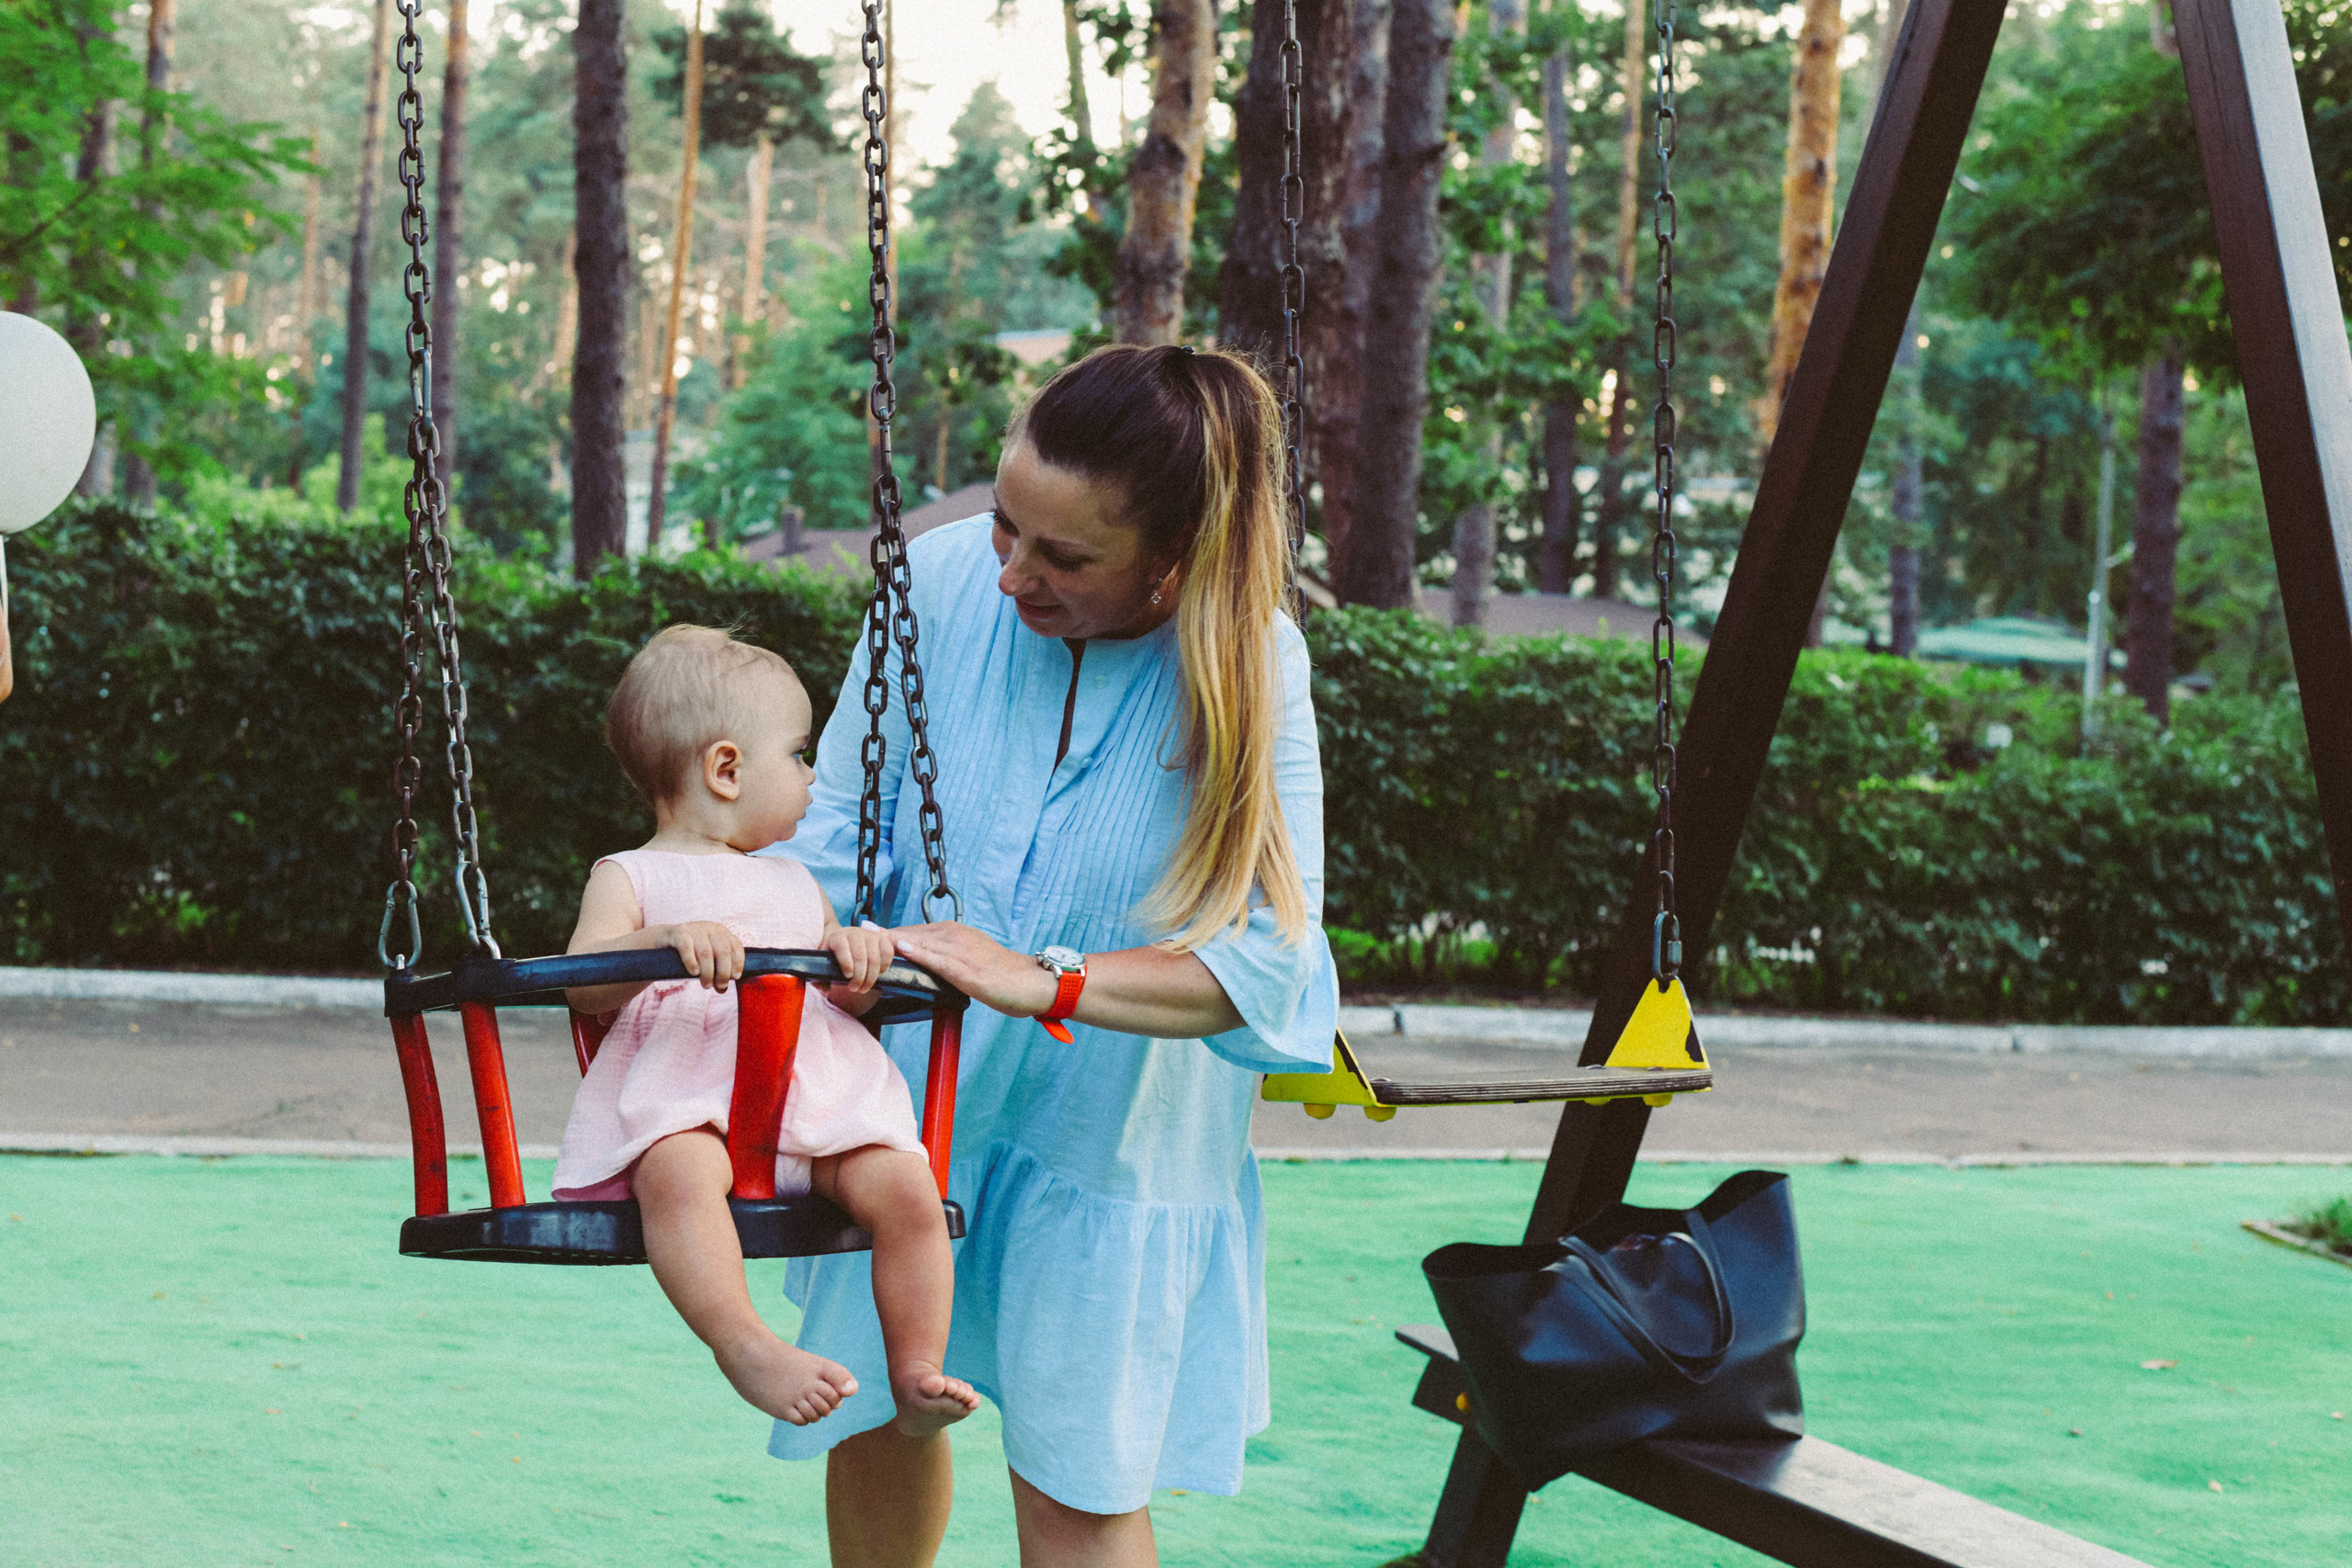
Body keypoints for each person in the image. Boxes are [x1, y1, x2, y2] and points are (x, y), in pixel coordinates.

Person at [767, 344, 1338, 1567]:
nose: (1015, 570)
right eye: (1004, 522)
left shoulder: (1246, 662)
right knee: (878, 1410)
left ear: (1171, 562)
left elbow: (1271, 968)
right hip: (915, 1101)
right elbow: (832, 842)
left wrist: (1050, 977)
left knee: (1076, 1491)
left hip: (1115, 1133)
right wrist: (814, 942)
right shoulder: (932, 585)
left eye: (1065, 556)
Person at [552, 625, 981, 1437]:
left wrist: (857, 958)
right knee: (676, 1178)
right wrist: (660, 941)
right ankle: (743, 1342)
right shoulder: (631, 875)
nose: (813, 775)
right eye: (797, 754)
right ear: (725, 769)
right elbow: (583, 984)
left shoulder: (794, 882)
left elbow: (846, 1001)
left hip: (819, 1110)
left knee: (909, 1191)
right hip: (696, 1108)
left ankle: (916, 1366)